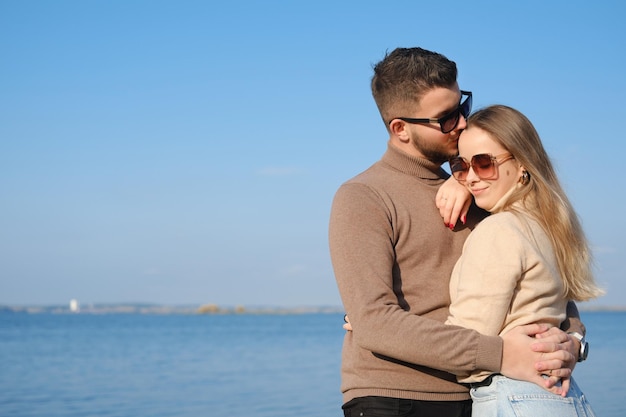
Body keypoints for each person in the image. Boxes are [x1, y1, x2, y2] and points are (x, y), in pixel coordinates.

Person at [329, 47, 585, 417]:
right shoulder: (362, 197)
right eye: (446, 118)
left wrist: (572, 342)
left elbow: (549, 285)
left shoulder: (484, 192)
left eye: (462, 107)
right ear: (400, 129)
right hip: (396, 397)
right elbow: (375, 323)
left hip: (484, 394)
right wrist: (500, 354)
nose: (463, 123)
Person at [444, 104, 602, 416]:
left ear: (522, 165)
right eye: (460, 165)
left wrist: (382, 331)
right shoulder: (550, 229)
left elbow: (467, 347)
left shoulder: (499, 231)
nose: (471, 178)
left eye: (484, 163)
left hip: (514, 398)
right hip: (564, 398)